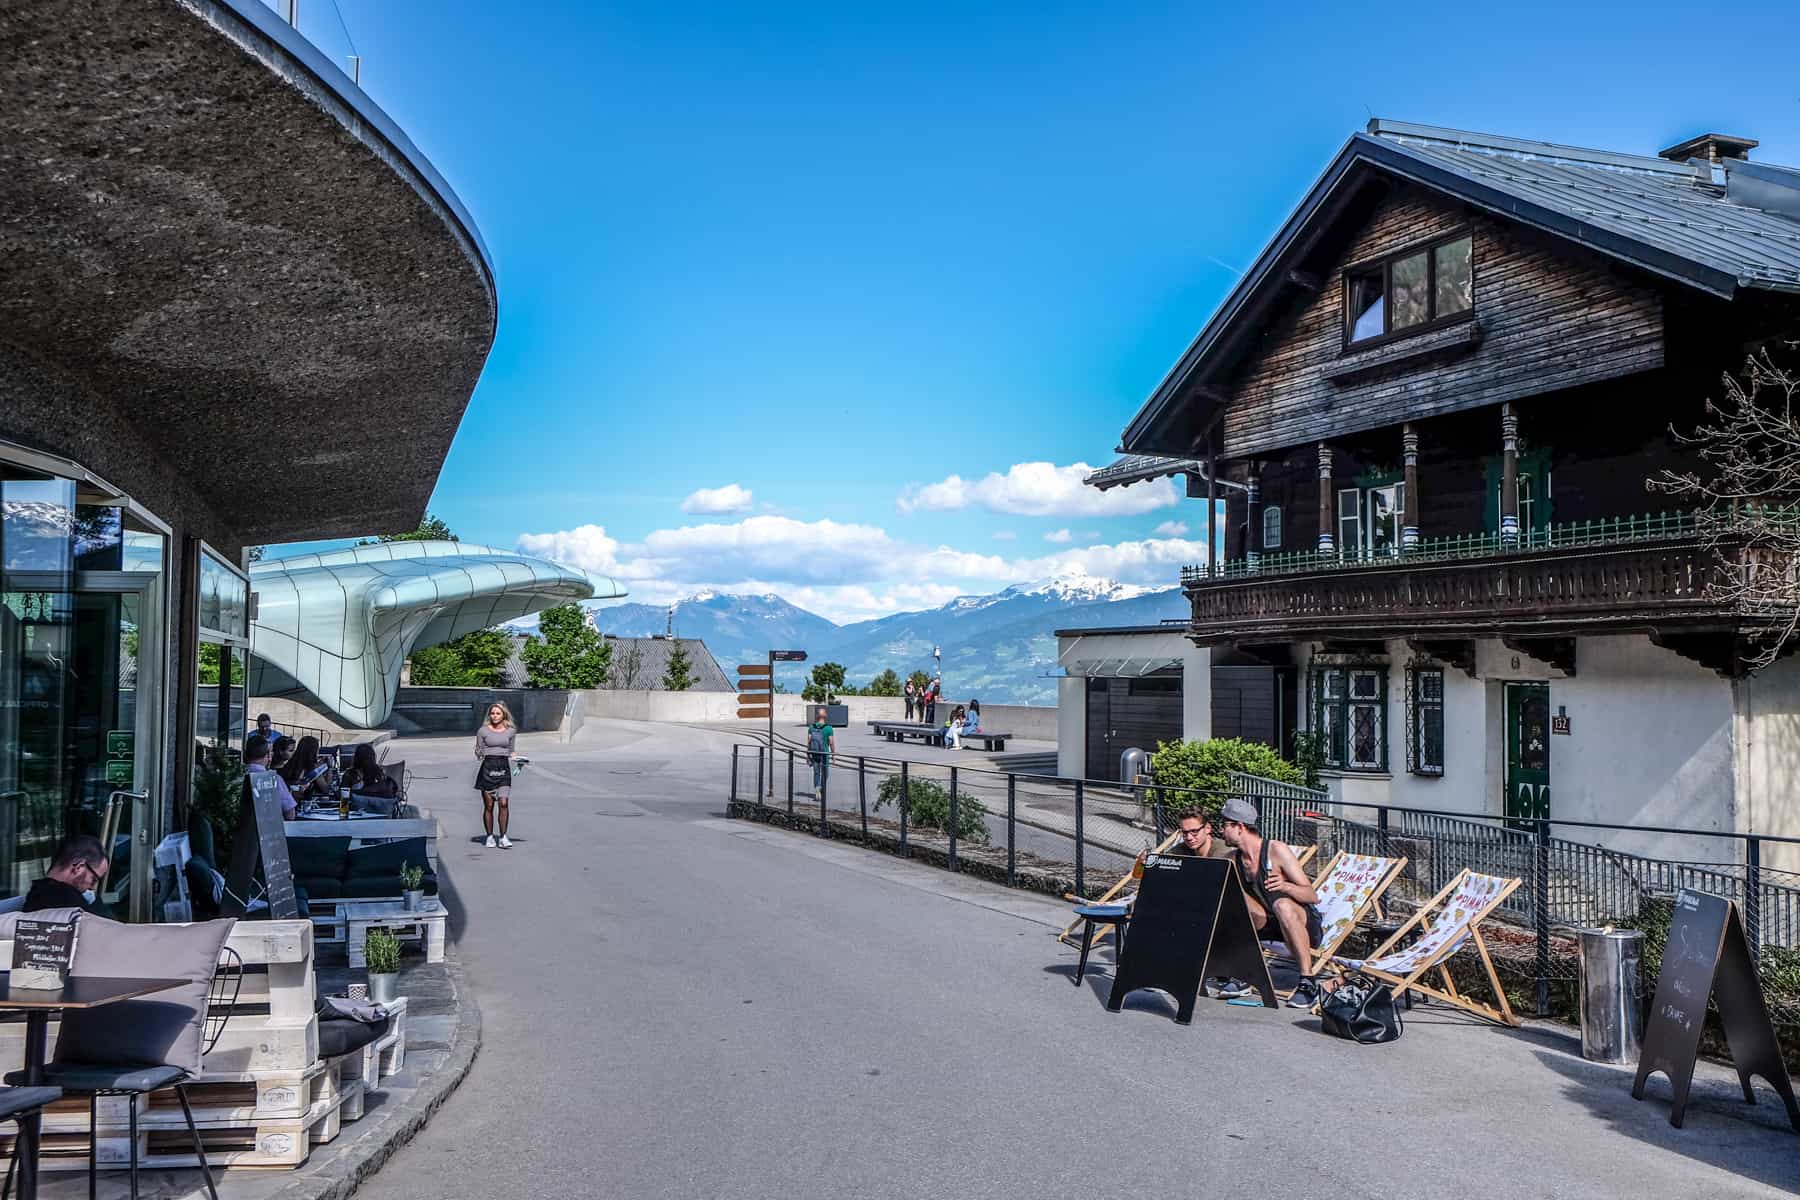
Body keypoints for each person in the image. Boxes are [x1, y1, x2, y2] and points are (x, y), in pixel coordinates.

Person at [1218, 797, 1324, 1008]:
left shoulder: (1276, 850)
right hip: (1268, 928)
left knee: (1282, 905)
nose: (1221, 831)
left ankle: (1307, 981)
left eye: (1224, 825)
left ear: (1239, 827)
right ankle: (1243, 974)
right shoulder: (1233, 859)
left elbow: (1312, 895)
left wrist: (1286, 887)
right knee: (1234, 899)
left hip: (1301, 926)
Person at [23, 835, 108, 912]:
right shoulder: (72, 904)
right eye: (94, 879)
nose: (92, 887)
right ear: (79, 867)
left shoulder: (34, 894)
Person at [475, 702, 517, 849]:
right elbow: (478, 750)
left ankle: (503, 836)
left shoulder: (510, 731)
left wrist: (519, 760)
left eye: (498, 713)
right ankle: (490, 836)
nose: (495, 716)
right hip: (488, 768)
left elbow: (512, 751)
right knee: (489, 805)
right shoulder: (483, 731)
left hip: (503, 768)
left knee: (504, 803)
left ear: (503, 714)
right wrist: (480, 753)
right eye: (492, 713)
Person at [244, 732, 298, 820]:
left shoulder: (233, 775)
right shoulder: (275, 780)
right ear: (268, 755)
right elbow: (290, 814)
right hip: (269, 829)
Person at [280, 735, 333, 808]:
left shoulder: (290, 764)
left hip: (289, 803)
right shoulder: (312, 768)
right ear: (313, 751)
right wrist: (329, 767)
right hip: (305, 805)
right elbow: (326, 789)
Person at [806, 706, 834, 797]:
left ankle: (817, 788)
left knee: (816, 772)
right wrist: (833, 755)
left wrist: (808, 755)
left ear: (817, 716)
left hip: (814, 753)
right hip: (824, 753)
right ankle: (822, 787)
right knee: (825, 772)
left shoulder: (811, 727)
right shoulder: (829, 728)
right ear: (825, 715)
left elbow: (809, 741)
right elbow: (831, 742)